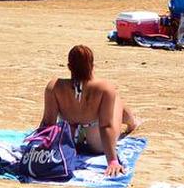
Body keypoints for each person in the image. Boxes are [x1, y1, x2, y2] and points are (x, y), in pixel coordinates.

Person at [40, 45, 143, 178]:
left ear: (69, 66)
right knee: (115, 98)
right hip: (97, 143)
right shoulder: (104, 87)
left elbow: (48, 123)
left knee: (110, 97)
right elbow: (106, 126)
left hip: (68, 141)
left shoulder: (54, 86)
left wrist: (41, 149)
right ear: (92, 65)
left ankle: (132, 122)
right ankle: (132, 123)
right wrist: (112, 161)